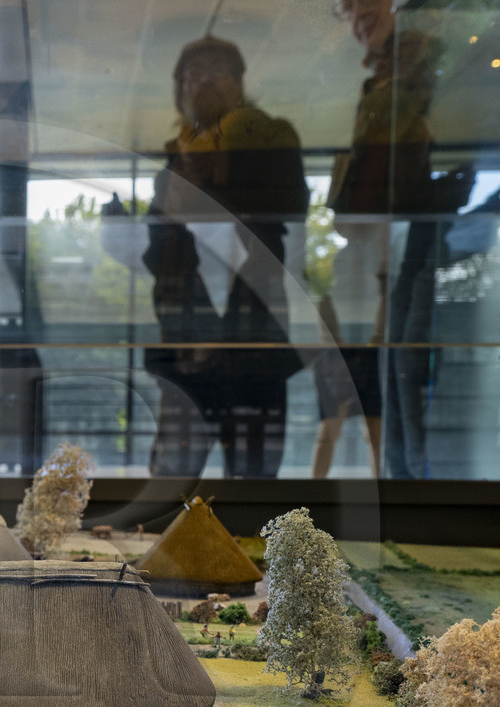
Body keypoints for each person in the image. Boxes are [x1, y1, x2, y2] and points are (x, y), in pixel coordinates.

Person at [137, 36, 310, 479]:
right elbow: (158, 258)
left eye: (218, 70)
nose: (206, 80)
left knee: (255, 494)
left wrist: (204, 201)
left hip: (254, 348)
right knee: (169, 494)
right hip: (186, 350)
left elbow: (292, 206)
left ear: (239, 84)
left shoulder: (272, 146)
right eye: (194, 72)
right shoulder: (170, 170)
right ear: (180, 88)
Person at [328, 0, 472, 479]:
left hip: (421, 231)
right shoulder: (386, 75)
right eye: (345, 8)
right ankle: (404, 491)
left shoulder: (415, 64)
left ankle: (415, 495)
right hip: (403, 237)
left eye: (364, 2)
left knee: (408, 369)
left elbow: (405, 147)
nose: (356, 14)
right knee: (399, 372)